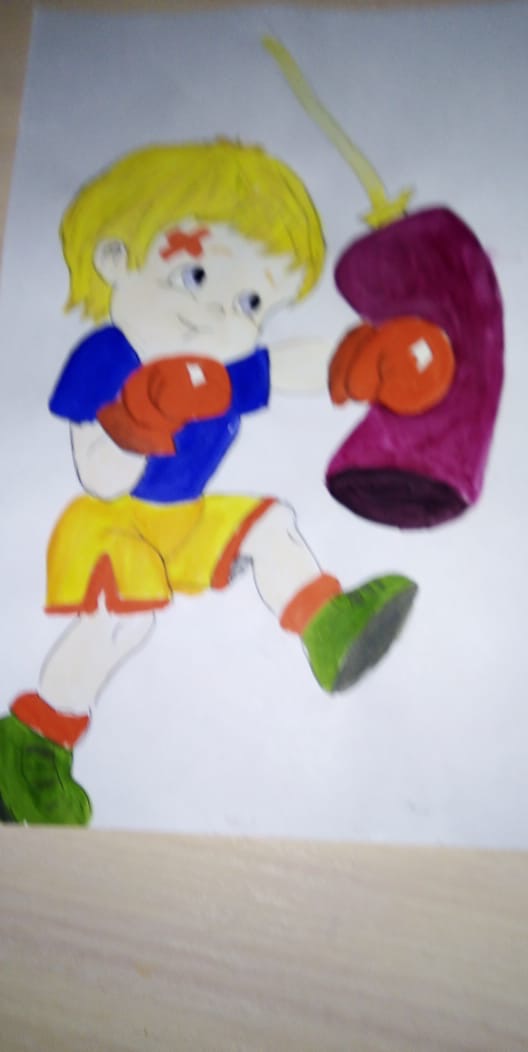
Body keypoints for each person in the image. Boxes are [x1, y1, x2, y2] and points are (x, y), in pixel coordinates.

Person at [0, 140, 416, 825]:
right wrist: (140, 416)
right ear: (117, 259)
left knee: (271, 523)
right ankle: (31, 743)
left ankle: (327, 627)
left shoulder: (222, 365)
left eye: (251, 301)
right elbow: (99, 475)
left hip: (187, 517)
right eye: (195, 276)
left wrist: (362, 359)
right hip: (117, 523)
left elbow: (286, 365)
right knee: (119, 628)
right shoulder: (109, 357)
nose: (224, 316)